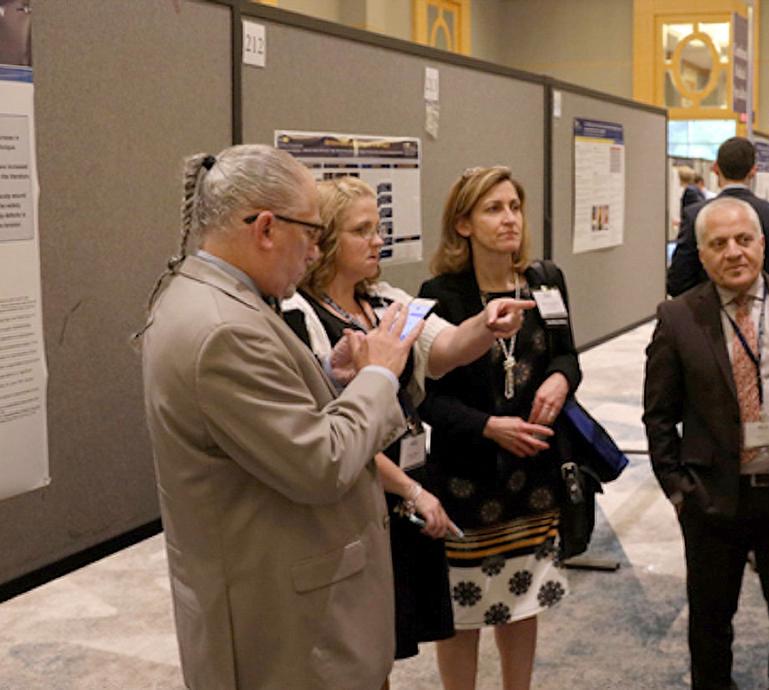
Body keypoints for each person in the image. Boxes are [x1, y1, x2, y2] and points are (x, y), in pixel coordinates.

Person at [138, 145, 445, 689]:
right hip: (286, 633)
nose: (314, 253)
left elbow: (261, 420)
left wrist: (330, 374)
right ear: (264, 228)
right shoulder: (224, 328)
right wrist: (380, 376)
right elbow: (319, 464)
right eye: (312, 233)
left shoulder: (220, 299)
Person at [279, 175, 534, 668]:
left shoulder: (384, 300)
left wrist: (487, 323)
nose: (379, 240)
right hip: (358, 485)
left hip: (403, 479)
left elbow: (446, 348)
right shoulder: (300, 314)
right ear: (328, 240)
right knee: (360, 644)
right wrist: (410, 491)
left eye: (378, 228)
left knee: (387, 638)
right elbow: (326, 425)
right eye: (363, 230)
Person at [643, 196, 769, 690]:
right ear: (701, 253)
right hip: (712, 498)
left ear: (761, 243)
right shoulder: (677, 318)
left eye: (743, 240)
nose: (733, 252)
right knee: (711, 626)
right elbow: (658, 416)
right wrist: (678, 489)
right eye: (718, 244)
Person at [418, 166, 581, 690]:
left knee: (522, 597)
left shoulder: (544, 281)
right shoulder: (441, 294)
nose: (509, 219)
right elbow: (427, 398)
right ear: (463, 224)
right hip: (466, 476)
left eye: (514, 207)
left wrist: (560, 379)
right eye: (493, 209)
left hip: (533, 474)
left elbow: (568, 355)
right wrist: (489, 426)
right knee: (462, 612)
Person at [667, 137, 769, 297]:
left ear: (715, 168)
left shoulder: (695, 216)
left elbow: (678, 282)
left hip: (708, 318)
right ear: (754, 170)